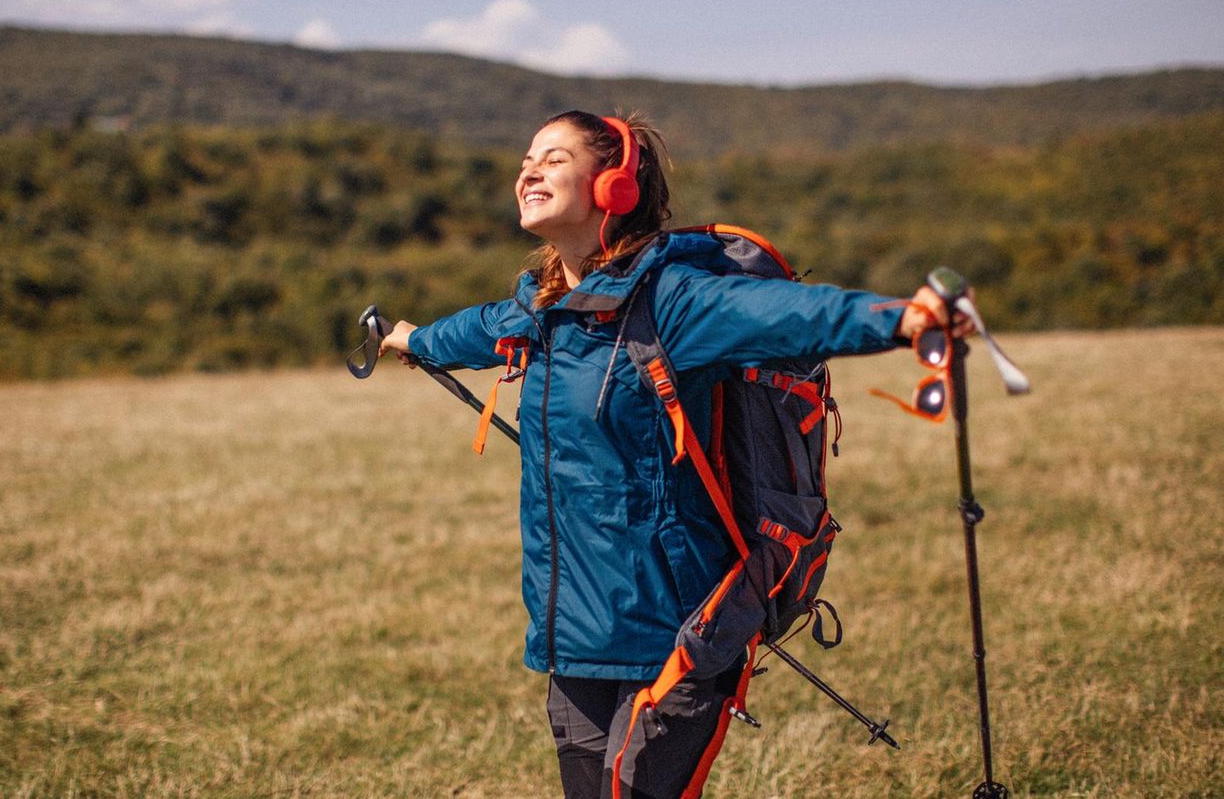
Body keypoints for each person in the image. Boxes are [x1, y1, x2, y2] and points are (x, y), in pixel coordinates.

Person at [378, 110, 969, 799]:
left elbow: (785, 313)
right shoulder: (539, 311)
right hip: (576, 636)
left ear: (615, 187)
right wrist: (414, 340)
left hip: (676, 635)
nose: (529, 171)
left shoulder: (672, 299)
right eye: (526, 160)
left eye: (554, 158)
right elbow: (474, 330)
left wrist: (901, 319)